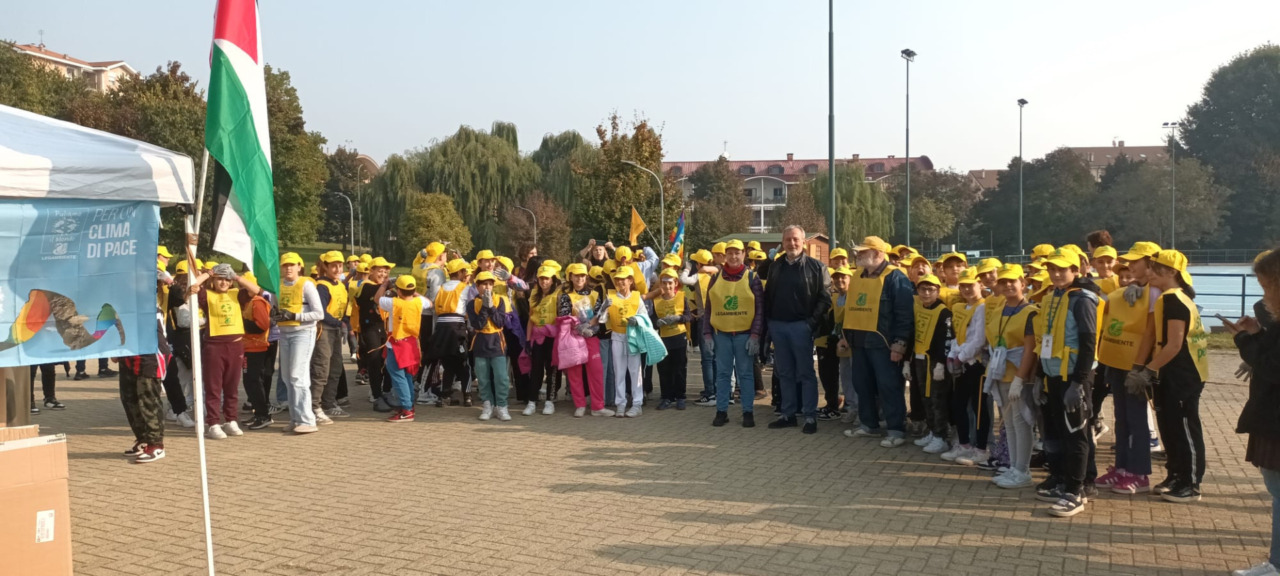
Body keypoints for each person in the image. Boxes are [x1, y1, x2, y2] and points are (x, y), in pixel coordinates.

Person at [1130, 249, 1208, 503]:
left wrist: (1148, 370)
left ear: (1172, 272)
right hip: (1167, 371)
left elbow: (1174, 344)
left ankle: (1191, 482)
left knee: (1185, 427)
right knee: (1169, 426)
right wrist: (1139, 367)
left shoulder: (1176, 300)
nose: (1149, 273)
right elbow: (1153, 336)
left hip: (1184, 373)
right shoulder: (1165, 298)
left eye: (1155, 269)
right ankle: (1175, 474)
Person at [1035, 248, 1101, 518]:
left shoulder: (1082, 300)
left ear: (1076, 271)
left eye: (1063, 269)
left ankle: (1077, 490)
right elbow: (1046, 340)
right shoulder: (1053, 297)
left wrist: (1079, 383)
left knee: (1077, 434)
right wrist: (1040, 376)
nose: (1057, 273)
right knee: (1061, 432)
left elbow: (1088, 343)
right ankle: (1064, 478)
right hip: (1053, 375)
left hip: (1073, 377)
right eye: (1052, 269)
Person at [1093, 242, 1162, 495]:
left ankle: (1139, 472)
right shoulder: (1137, 289)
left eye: (1136, 261)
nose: (1130, 265)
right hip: (1117, 361)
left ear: (1151, 263)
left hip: (1136, 364)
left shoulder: (1157, 292)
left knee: (1136, 419)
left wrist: (1140, 367)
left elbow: (1150, 332)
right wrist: (1133, 286)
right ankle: (1122, 467)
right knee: (1121, 419)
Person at [1230, 249, 1280, 576]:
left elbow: (1273, 366)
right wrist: (1257, 335)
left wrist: (1244, 342)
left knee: (1278, 493)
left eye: (1266, 287)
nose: (1263, 297)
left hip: (1275, 419)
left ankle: (1276, 564)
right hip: (1271, 416)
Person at [841, 237, 915, 447]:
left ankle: (896, 429)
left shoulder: (895, 277)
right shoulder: (856, 275)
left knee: (889, 386)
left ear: (879, 254)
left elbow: (904, 315)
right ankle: (868, 424)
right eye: (859, 252)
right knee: (862, 385)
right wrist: (845, 337)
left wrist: (900, 344)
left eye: (864, 252)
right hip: (860, 342)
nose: (858, 255)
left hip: (884, 344)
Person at [763, 225, 831, 434]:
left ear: (803, 242)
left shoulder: (817, 267)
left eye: (795, 240)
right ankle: (788, 414)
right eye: (787, 240)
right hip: (779, 326)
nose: (791, 243)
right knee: (784, 372)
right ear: (782, 243)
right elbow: (768, 294)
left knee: (805, 373)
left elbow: (825, 297)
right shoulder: (775, 266)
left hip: (802, 327)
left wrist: (811, 323)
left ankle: (810, 416)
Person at [188, 263, 259, 440]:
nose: (224, 282)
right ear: (214, 281)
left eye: (226, 280)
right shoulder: (207, 295)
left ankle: (231, 419)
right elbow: (193, 287)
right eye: (220, 279)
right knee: (213, 387)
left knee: (232, 386)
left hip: (235, 346)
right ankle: (213, 422)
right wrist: (209, 273)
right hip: (214, 346)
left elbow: (256, 290)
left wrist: (236, 277)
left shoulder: (237, 294)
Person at [987, 264, 1041, 489]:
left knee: (1020, 422)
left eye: (1013, 281)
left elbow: (1029, 348)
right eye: (1003, 282)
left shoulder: (1030, 312)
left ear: (1023, 283)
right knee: (1007, 422)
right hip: (1000, 372)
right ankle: (1013, 466)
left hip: (1018, 375)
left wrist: (1020, 378)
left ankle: (1022, 470)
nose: (1008, 285)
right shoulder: (999, 309)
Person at [704, 239, 765, 428]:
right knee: (722, 374)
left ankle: (748, 412)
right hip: (721, 335)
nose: (733, 256)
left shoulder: (751, 278)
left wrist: (755, 335)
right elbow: (708, 309)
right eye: (730, 253)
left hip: (744, 335)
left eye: (737, 252)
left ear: (743, 254)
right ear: (725, 255)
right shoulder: (715, 278)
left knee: (745, 374)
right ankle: (721, 411)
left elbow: (759, 309)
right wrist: (707, 334)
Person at [120, 270, 171, 463]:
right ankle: (143, 439)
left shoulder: (147, 298)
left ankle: (156, 444)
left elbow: (166, 279)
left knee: (148, 401)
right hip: (130, 353)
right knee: (129, 399)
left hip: (150, 354)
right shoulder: (123, 298)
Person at [944, 268, 991, 465]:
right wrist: (952, 355)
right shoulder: (962, 308)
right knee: (959, 404)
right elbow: (959, 335)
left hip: (977, 364)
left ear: (980, 285)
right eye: (962, 285)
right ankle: (964, 444)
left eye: (970, 285)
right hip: (962, 363)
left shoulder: (983, 306)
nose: (966, 289)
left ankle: (981, 448)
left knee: (979, 408)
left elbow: (979, 339)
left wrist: (960, 357)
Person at [469, 270, 525, 421]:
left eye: (490, 284)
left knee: (501, 377)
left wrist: (491, 306)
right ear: (477, 286)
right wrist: (485, 307)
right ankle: (487, 405)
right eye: (483, 284)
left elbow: (500, 322)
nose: (487, 287)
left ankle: (501, 405)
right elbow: (478, 324)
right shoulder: (472, 303)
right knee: (483, 377)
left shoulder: (500, 300)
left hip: (497, 341)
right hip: (480, 341)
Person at [375, 275, 431, 422]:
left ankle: (406, 409)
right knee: (406, 376)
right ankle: (409, 406)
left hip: (397, 343)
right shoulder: (418, 301)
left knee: (397, 375)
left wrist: (385, 285)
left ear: (399, 291)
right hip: (411, 343)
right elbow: (429, 303)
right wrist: (414, 293)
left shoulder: (394, 303)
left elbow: (377, 299)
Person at [910, 274, 954, 454]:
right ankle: (931, 429)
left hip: (935, 362)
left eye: (931, 290)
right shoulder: (918, 308)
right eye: (923, 289)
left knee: (937, 399)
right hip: (919, 359)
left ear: (937, 291)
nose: (926, 293)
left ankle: (941, 436)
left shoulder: (944, 312)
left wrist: (941, 363)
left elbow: (947, 340)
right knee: (924, 397)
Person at [595, 266, 646, 417]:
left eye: (623, 279)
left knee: (635, 371)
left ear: (630, 281)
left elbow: (645, 318)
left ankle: (637, 404)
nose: (620, 282)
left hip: (633, 338)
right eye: (617, 279)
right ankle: (621, 404)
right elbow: (602, 319)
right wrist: (604, 308)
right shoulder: (611, 297)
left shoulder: (637, 297)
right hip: (617, 337)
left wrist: (635, 320)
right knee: (619, 372)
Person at [309, 251, 350, 423]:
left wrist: (345, 322)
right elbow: (321, 313)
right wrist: (339, 323)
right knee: (321, 368)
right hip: (324, 329)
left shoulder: (340, 284)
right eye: (333, 265)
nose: (337, 268)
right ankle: (314, 406)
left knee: (335, 368)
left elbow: (345, 307)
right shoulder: (322, 285)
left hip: (336, 329)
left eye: (339, 265)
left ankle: (329, 403)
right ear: (325, 266)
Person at [430, 258, 476, 408]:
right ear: (461, 272)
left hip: (441, 328)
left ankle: (445, 396)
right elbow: (471, 307)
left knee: (447, 363)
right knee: (464, 363)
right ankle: (467, 396)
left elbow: (435, 308)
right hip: (457, 327)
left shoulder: (442, 288)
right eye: (465, 271)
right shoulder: (465, 288)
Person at [240, 272, 278, 430]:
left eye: (244, 286)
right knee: (251, 381)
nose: (241, 289)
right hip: (250, 347)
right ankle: (259, 413)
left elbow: (262, 325)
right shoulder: (250, 301)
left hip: (256, 347)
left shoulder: (257, 301)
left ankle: (263, 415)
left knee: (253, 381)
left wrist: (242, 324)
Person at [652, 268, 694, 411]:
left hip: (679, 337)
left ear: (675, 283)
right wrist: (657, 322)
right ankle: (666, 397)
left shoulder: (682, 297)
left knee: (680, 369)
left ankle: (680, 397)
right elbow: (652, 320)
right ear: (661, 284)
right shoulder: (656, 301)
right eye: (664, 283)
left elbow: (689, 317)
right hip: (663, 339)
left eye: (670, 283)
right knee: (664, 370)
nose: (667, 286)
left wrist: (678, 318)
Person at [526, 265, 562, 415]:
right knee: (536, 369)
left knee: (552, 369)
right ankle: (532, 401)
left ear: (553, 280)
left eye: (547, 278)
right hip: (537, 336)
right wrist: (528, 340)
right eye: (541, 278)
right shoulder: (534, 294)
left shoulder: (559, 294)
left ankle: (550, 400)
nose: (544, 282)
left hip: (553, 337)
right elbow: (530, 319)